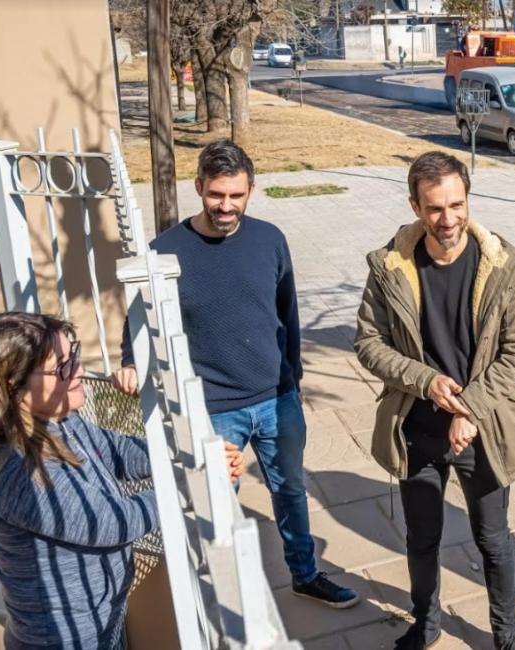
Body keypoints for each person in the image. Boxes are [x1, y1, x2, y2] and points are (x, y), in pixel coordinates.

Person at [113, 139, 359, 608]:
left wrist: (293, 375)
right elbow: (137, 316)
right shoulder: (165, 250)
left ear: (251, 191)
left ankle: (305, 575)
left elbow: (286, 312)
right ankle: (226, 597)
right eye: (216, 195)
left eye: (236, 196)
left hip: (277, 398)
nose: (225, 206)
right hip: (214, 408)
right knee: (218, 504)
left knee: (290, 491)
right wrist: (129, 359)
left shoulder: (270, 239)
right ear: (199, 187)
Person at [0, 312, 243, 649]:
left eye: (75, 357)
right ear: (14, 386)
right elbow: (110, 522)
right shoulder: (14, 469)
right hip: (63, 638)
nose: (79, 371)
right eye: (63, 367)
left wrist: (194, 454)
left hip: (103, 617)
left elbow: (119, 453)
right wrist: (193, 482)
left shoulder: (61, 418)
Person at [354, 151, 515, 650]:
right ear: (415, 204)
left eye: (458, 204)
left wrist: (469, 409)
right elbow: (369, 344)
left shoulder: (505, 264)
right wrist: (425, 381)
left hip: (484, 429)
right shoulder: (389, 266)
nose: (449, 219)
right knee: (422, 538)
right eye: (435, 208)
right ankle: (426, 622)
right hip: (416, 426)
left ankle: (505, 634)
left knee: (494, 541)